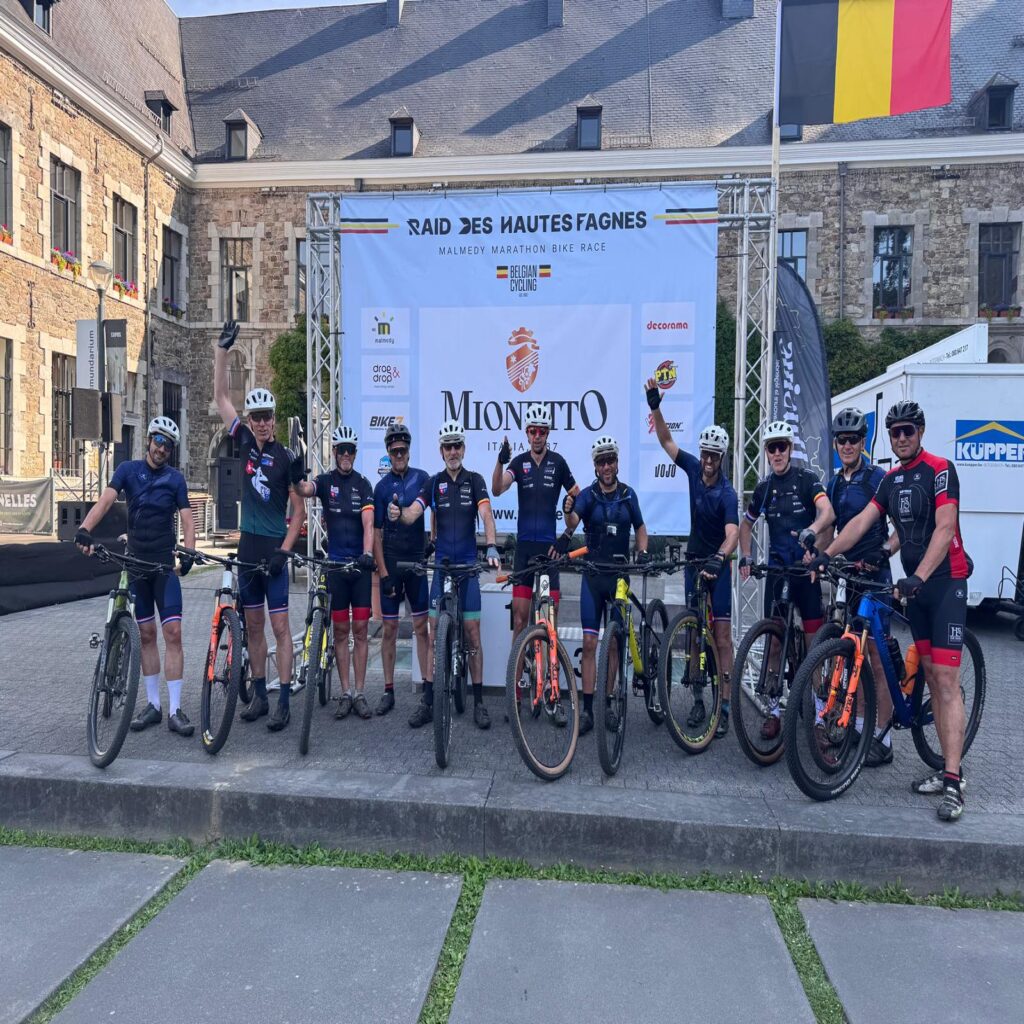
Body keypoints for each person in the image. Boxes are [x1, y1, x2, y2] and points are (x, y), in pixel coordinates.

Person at [812, 400, 971, 822]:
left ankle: (953, 781)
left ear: (920, 432)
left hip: (945, 584)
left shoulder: (940, 469)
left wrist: (918, 575)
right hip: (916, 589)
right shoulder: (892, 480)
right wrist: (827, 554)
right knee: (931, 677)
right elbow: (861, 522)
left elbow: (945, 528)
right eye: (895, 432)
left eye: (908, 431)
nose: (901, 438)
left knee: (945, 681)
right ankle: (942, 767)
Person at [75, 417, 197, 736]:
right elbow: (106, 500)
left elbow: (187, 519)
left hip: (163, 568)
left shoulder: (175, 479)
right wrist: (85, 528)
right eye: (158, 441)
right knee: (146, 635)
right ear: (149, 440)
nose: (162, 448)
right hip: (136, 566)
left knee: (173, 633)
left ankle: (175, 709)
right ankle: (153, 705)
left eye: (168, 445)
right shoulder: (128, 470)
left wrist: (189, 552)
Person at [214, 320, 305, 732]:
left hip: (274, 552)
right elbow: (221, 397)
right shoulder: (245, 442)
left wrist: (285, 551)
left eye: (268, 417)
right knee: (253, 626)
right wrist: (222, 351)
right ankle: (260, 696)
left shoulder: (286, 457)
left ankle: (283, 699)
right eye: (257, 418)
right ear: (250, 421)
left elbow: (299, 511)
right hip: (248, 548)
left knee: (280, 626)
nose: (263, 423)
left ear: (274, 419)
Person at [389, 420, 501, 730]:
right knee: (434, 632)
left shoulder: (475, 480)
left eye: (457, 446)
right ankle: (428, 701)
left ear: (463, 449)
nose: (452, 451)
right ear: (441, 451)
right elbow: (415, 511)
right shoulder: (433, 482)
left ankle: (479, 702)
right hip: (442, 567)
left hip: (467, 567)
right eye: (447, 446)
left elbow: (486, 514)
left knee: (473, 633)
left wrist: (492, 545)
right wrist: (400, 514)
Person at [646, 378, 739, 738]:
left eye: (714, 456)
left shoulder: (727, 493)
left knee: (722, 636)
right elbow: (666, 441)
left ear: (722, 457)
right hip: (695, 562)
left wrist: (721, 557)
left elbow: (733, 533)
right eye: (705, 454)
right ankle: (700, 700)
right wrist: (656, 408)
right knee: (695, 634)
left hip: (718, 564)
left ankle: (725, 705)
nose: (708, 461)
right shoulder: (693, 471)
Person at [738, 420, 834, 740]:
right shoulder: (764, 488)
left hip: (805, 573)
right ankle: (774, 711)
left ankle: (819, 716)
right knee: (774, 642)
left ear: (790, 449)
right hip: (778, 572)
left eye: (782, 447)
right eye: (772, 448)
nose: (777, 453)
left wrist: (814, 539)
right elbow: (746, 525)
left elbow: (827, 513)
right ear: (766, 452)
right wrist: (746, 557)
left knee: (813, 644)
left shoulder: (807, 480)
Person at [825, 407, 900, 767]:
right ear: (836, 443)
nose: (848, 445)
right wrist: (817, 558)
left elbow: (902, 529)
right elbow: (830, 529)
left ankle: (883, 736)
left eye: (854, 439)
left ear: (863, 441)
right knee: (851, 653)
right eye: (842, 440)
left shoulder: (878, 479)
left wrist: (885, 551)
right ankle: (858, 726)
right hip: (848, 577)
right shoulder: (835, 482)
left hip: (876, 577)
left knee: (877, 658)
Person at [560, 435, 648, 736]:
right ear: (595, 466)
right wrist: (567, 508)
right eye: (601, 461)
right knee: (589, 643)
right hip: (593, 577)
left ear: (617, 462)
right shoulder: (588, 495)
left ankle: (608, 703)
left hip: (619, 577)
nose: (607, 466)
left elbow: (640, 528)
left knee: (612, 644)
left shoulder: (628, 494)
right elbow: (572, 522)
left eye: (610, 460)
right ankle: (587, 710)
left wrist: (642, 551)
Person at [287, 425, 376, 719]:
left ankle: (360, 692)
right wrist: (296, 477)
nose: (347, 454)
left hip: (359, 568)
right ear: (335, 452)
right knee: (340, 632)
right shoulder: (326, 482)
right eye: (342, 450)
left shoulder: (363, 484)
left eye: (351, 450)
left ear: (355, 453)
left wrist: (367, 554)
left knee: (360, 631)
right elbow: (305, 490)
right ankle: (345, 692)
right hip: (336, 566)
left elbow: (368, 524)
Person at [491, 402, 577, 639]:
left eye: (542, 431)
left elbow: (578, 499)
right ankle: (519, 664)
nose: (537, 436)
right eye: (533, 431)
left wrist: (567, 536)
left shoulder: (558, 462)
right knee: (519, 620)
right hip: (525, 550)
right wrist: (500, 461)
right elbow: (497, 489)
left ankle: (549, 663)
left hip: (549, 550)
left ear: (548, 433)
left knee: (550, 620)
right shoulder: (519, 462)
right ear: (527, 433)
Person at [373, 422, 431, 717]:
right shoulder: (381, 488)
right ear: (388, 451)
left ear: (409, 451)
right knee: (390, 629)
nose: (399, 455)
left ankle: (429, 692)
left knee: (422, 628)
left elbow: (437, 510)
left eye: (403, 450)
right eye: (394, 450)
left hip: (417, 561)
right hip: (392, 563)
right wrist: (383, 574)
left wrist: (433, 543)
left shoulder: (423, 478)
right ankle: (388, 690)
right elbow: (376, 535)